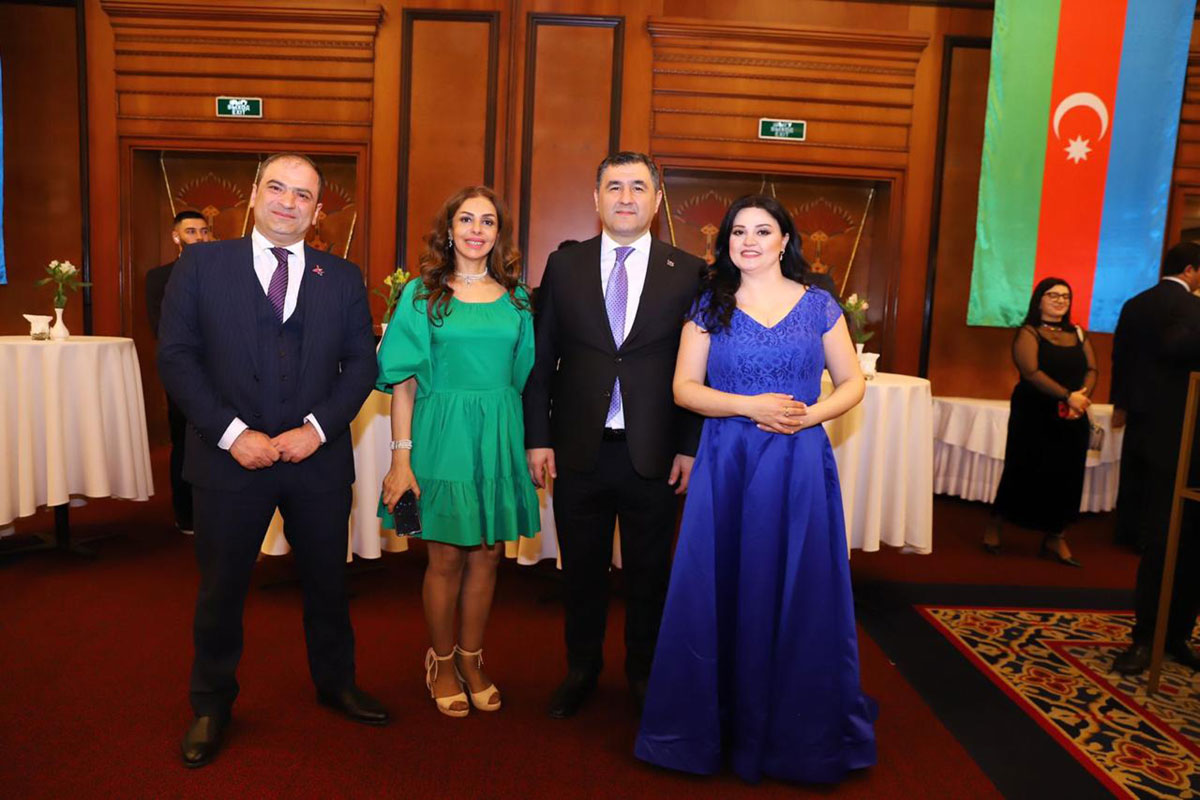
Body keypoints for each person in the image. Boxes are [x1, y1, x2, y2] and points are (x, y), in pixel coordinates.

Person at [158, 153, 388, 768]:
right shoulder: (202, 265)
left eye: (303, 195)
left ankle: (336, 683)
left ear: (317, 211)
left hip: (317, 461)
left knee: (328, 585)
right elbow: (177, 356)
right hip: (228, 462)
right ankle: (211, 705)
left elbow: (361, 364)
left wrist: (317, 430)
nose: (289, 202)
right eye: (278, 188)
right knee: (221, 590)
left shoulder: (342, 276)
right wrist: (233, 435)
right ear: (255, 194)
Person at [635, 194, 875, 783]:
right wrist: (750, 406)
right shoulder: (709, 304)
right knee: (721, 582)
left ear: (784, 240)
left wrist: (808, 416)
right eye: (738, 231)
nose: (748, 241)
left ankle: (798, 729)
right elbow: (685, 388)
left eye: (762, 231)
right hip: (729, 461)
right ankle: (714, 722)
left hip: (798, 459)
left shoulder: (819, 305)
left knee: (798, 585)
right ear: (725, 243)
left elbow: (852, 382)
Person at [524, 151, 706, 718]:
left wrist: (689, 446)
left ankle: (644, 674)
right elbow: (541, 359)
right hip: (578, 450)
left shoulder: (689, 271)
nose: (626, 197)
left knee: (650, 576)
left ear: (657, 200)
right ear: (596, 198)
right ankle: (581, 670)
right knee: (581, 574)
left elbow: (702, 370)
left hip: (654, 453)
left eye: (638, 187)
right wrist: (537, 437)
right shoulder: (565, 265)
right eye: (614, 186)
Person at [377, 186, 540, 717]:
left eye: (487, 221)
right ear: (449, 230)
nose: (476, 230)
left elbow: (523, 376)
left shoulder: (518, 299)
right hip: (441, 435)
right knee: (445, 557)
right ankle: (442, 661)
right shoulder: (421, 295)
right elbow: (403, 383)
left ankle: (472, 659)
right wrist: (401, 459)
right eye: (466, 219)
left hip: (498, 434)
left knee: (489, 553)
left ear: (499, 234)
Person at [1111, 241, 1200, 674]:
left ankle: (1168, 634)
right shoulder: (1189, 311)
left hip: (1150, 434)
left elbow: (1122, 361)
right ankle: (1153, 635)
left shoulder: (1137, 304)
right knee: (1171, 540)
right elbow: (1174, 348)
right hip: (1182, 440)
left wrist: (1123, 405)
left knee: (1175, 541)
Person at [982, 278, 1096, 567]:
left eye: (1065, 296)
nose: (1060, 300)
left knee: (1067, 476)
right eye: (1053, 295)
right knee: (1023, 469)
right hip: (1034, 414)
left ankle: (1056, 536)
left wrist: (1081, 399)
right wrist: (1068, 396)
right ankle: (996, 524)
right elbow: (1031, 372)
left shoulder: (1078, 333)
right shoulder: (1029, 332)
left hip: (1073, 415)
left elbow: (1092, 369)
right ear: (1040, 300)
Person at [146, 210, 212, 535]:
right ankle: (185, 514)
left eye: (203, 231)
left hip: (222, 373)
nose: (199, 237)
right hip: (183, 374)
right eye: (191, 231)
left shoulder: (225, 273)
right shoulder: (159, 277)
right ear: (177, 237)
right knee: (184, 443)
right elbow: (160, 328)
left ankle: (219, 512)